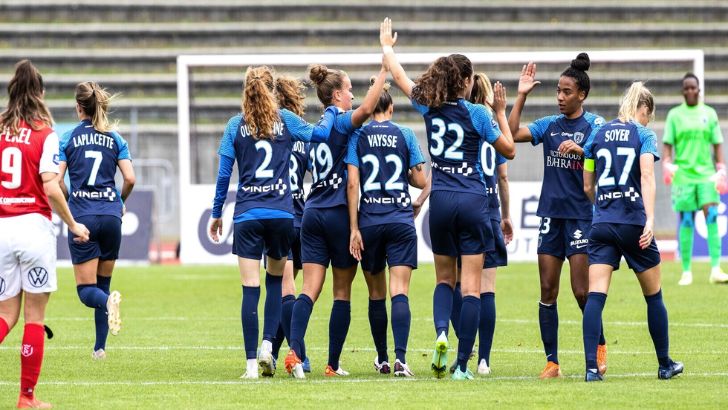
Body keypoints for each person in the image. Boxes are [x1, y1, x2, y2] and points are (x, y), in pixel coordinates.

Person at [380, 18, 516, 380]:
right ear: (468, 82)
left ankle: (441, 331)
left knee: (444, 280)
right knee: (471, 287)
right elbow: (509, 150)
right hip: (473, 197)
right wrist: (501, 113)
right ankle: (461, 365)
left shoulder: (429, 106)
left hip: (440, 198)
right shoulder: (477, 113)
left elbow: (399, 76)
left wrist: (388, 47)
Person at [209, 66, 336, 379]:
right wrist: (331, 111)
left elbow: (225, 174)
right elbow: (320, 135)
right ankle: (269, 344)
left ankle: (252, 364)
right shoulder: (287, 121)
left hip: (248, 215)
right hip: (282, 215)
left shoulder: (234, 125)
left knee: (250, 289)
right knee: (276, 283)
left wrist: (216, 214)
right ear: (272, 90)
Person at [285, 61, 388, 379]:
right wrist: (385, 69)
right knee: (341, 291)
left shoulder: (317, 129)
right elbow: (370, 107)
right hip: (338, 214)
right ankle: (331, 364)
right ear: (338, 95)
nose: (355, 97)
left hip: (312, 213)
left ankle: (295, 353)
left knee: (309, 289)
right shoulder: (343, 123)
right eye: (351, 91)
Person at [508, 55, 607, 378]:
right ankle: (552, 362)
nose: (560, 97)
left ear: (582, 95)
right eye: (558, 91)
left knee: (582, 292)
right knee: (548, 291)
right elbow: (510, 135)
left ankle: (598, 349)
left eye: (567, 92)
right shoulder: (549, 126)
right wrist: (521, 95)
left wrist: (584, 152)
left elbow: (607, 157)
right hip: (551, 216)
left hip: (581, 217)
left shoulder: (595, 126)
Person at [0, 59, 90, 409]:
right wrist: (73, 224)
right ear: (40, 93)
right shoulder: (45, 133)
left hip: (2, 228)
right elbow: (51, 187)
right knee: (35, 319)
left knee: (6, 315)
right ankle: (26, 398)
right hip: (33, 229)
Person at [582, 82, 683, 381]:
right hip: (633, 224)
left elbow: (588, 184)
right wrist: (650, 220)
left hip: (601, 223)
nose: (647, 121)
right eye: (647, 115)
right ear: (644, 109)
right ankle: (665, 364)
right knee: (654, 296)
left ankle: (591, 369)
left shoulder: (597, 134)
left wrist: (601, 206)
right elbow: (648, 177)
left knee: (595, 298)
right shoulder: (644, 135)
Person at [346, 78, 428, 377]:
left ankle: (381, 357)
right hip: (399, 219)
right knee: (400, 292)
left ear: (369, 110)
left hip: (370, 220)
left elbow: (353, 182)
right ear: (391, 107)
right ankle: (401, 360)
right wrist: (419, 199)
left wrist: (354, 227)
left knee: (376, 294)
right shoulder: (405, 134)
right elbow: (423, 178)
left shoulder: (358, 136)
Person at [58, 81, 135, 360]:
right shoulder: (115, 138)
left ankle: (107, 303)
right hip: (111, 217)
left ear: (79, 107)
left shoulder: (67, 138)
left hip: (83, 217)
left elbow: (56, 181)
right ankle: (99, 349)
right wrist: (120, 202)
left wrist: (68, 200)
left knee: (87, 292)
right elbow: (130, 178)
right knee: (102, 284)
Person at [447, 73, 514, 376]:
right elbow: (502, 176)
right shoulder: (492, 126)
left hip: (462, 205)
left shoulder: (458, 123)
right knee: (486, 288)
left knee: (455, 284)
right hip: (487, 210)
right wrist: (506, 215)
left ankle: (464, 348)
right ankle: (483, 360)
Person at [662, 73, 728, 285]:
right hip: (683, 176)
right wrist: (666, 163)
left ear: (699, 90)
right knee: (687, 220)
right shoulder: (674, 115)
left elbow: (717, 143)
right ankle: (687, 271)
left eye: (693, 87)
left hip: (706, 175)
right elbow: (667, 144)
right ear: (683, 91)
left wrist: (721, 168)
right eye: (686, 88)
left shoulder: (709, 113)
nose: (690, 91)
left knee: (711, 217)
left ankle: (716, 269)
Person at [268, 74, 311, 373]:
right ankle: (271, 347)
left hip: (281, 214)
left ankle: (300, 355)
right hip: (303, 213)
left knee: (285, 288)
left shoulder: (271, 132)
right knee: (291, 287)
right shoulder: (300, 133)